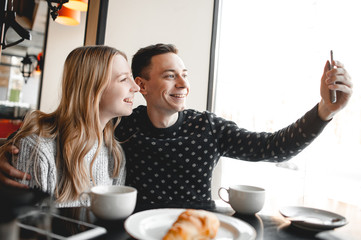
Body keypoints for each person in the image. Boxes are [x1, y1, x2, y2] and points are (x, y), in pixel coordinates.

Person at [0, 44, 353, 211]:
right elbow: (63, 128)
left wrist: (324, 110)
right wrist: (7, 148)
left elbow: (274, 147)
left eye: (185, 74)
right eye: (170, 75)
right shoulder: (122, 128)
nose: (183, 83)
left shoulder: (208, 127)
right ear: (143, 85)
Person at [0, 46, 140, 207]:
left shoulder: (114, 152)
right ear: (92, 87)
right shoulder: (37, 149)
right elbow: (27, 225)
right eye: (124, 79)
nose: (135, 87)